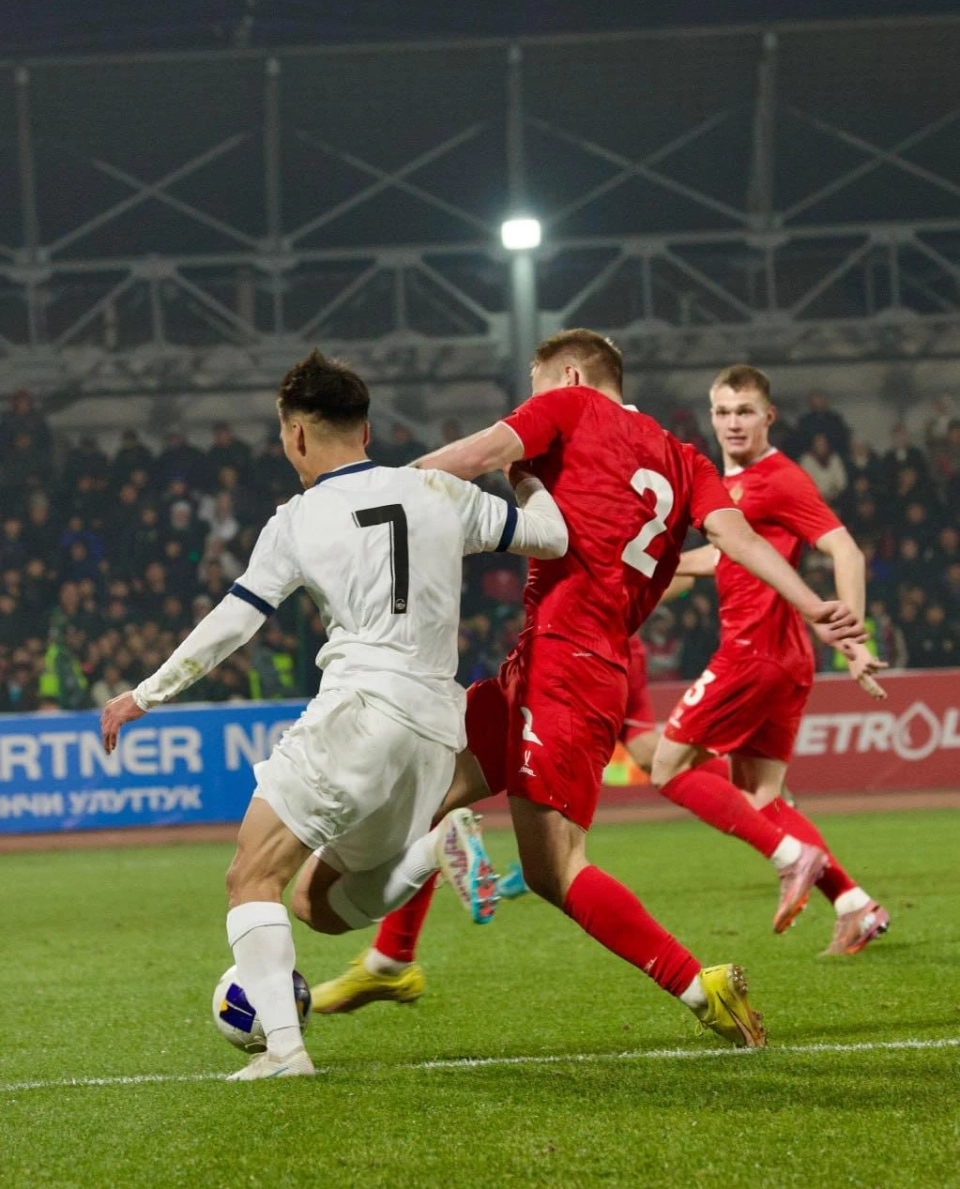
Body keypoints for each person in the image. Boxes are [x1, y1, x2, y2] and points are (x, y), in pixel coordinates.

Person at [309, 329, 866, 1045]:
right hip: (557, 661)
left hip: (565, 667)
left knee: (556, 869)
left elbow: (474, 456)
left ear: (569, 374)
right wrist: (810, 601)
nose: (532, 404)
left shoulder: (567, 403)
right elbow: (738, 539)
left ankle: (703, 987)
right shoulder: (684, 456)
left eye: (536, 388)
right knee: (425, 782)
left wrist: (371, 498)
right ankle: (393, 954)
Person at [100, 349, 569, 1081]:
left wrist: (146, 692)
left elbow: (236, 619)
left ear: (295, 436)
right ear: (368, 429)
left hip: (359, 710)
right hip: (433, 733)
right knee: (319, 902)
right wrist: (530, 479)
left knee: (249, 876)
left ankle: (286, 1051)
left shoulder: (298, 518)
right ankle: (433, 847)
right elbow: (555, 538)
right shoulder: (440, 490)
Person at [651, 364, 889, 955]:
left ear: (768, 416)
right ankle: (856, 906)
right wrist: (651, 566)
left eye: (745, 411)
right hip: (783, 659)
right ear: (712, 416)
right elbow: (722, 559)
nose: (734, 423)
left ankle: (790, 857)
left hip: (752, 653)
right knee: (763, 800)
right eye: (724, 412)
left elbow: (845, 550)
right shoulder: (729, 486)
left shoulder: (780, 479)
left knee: (668, 768)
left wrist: (854, 635)